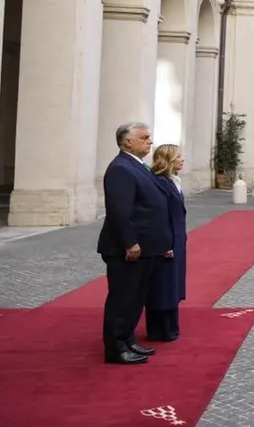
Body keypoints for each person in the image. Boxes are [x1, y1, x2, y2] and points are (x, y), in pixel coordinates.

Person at [98, 122, 172, 365]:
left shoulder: (138, 166)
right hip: (128, 249)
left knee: (136, 298)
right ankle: (116, 348)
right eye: (144, 137)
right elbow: (120, 211)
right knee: (123, 298)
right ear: (127, 141)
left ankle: (128, 339)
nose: (150, 141)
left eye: (149, 137)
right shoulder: (121, 168)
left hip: (146, 247)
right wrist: (130, 242)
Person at [145, 144, 187, 343]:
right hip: (167, 240)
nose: (182, 159)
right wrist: (164, 243)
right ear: (168, 160)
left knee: (173, 282)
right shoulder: (161, 182)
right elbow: (160, 215)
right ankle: (161, 329)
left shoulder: (173, 180)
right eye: (178, 156)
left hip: (177, 238)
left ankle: (171, 326)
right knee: (163, 284)